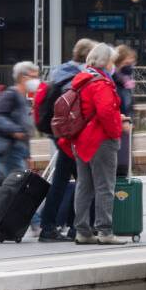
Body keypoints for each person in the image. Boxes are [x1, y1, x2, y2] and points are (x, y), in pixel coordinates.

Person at [36, 38, 96, 242]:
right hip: (74, 137)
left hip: (61, 135)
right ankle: (70, 226)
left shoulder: (59, 72)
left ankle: (52, 226)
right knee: (83, 183)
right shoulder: (79, 78)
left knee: (63, 182)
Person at [69, 43, 127, 245]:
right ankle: (104, 231)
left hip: (81, 139)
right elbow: (104, 112)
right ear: (105, 61)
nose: (113, 65)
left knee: (84, 186)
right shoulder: (101, 83)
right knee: (105, 186)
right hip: (100, 140)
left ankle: (82, 231)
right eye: (112, 61)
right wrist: (116, 132)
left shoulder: (82, 80)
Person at [0, 61, 39, 177]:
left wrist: (27, 155)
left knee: (9, 186)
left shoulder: (22, 98)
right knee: (14, 186)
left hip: (15, 150)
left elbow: (25, 126)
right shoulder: (10, 95)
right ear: (23, 78)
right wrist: (15, 130)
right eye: (34, 77)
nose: (37, 80)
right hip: (7, 150)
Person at [112, 45, 138, 177]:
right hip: (118, 132)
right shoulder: (113, 82)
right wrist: (122, 120)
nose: (131, 66)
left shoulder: (125, 82)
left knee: (124, 167)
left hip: (126, 131)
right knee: (119, 170)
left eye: (132, 63)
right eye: (127, 63)